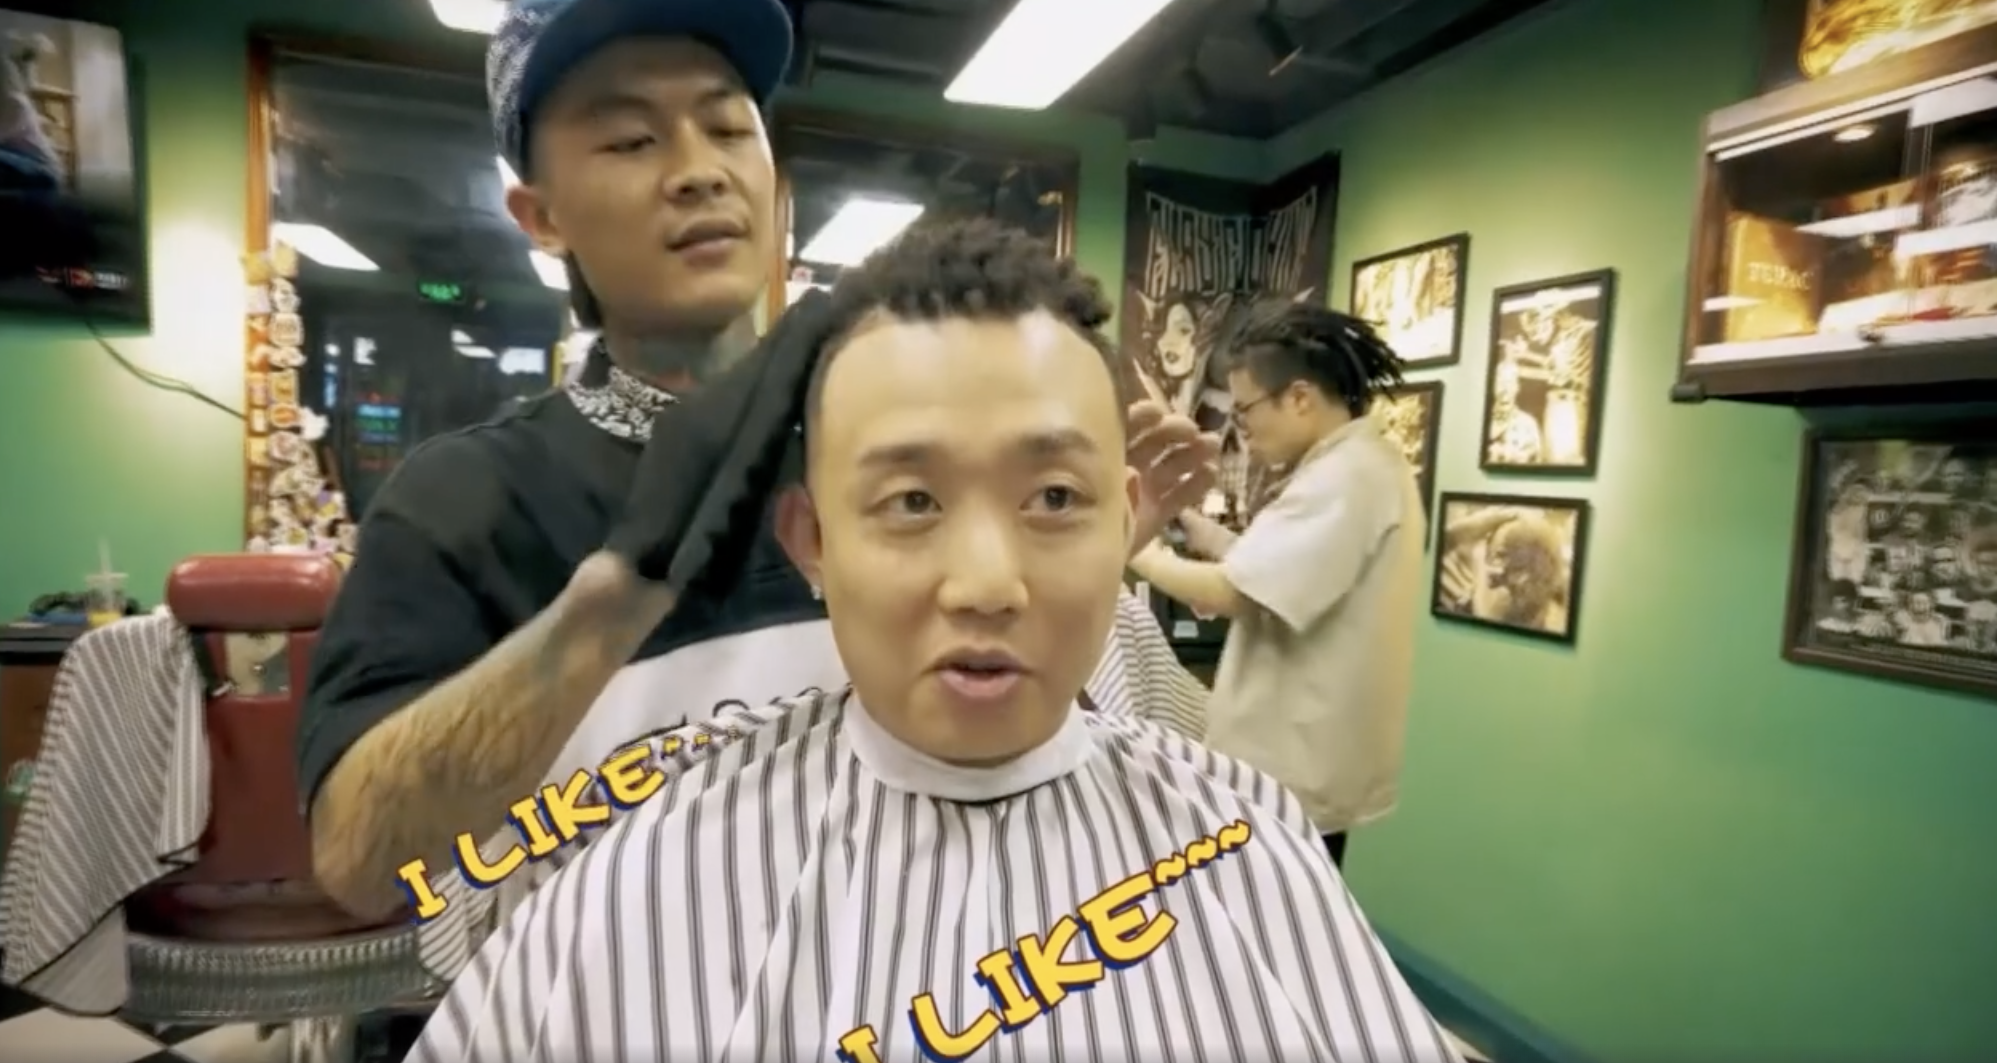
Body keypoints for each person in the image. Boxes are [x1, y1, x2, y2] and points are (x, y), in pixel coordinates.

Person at [409, 218, 1460, 1063]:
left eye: (1055, 498)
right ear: (813, 542)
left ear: (1123, 526)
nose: (988, 585)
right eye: (911, 501)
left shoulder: (1244, 835)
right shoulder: (642, 859)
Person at [297, 0, 1215, 933]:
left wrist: (1071, 556)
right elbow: (362, 864)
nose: (699, 170)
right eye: (630, 140)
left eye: (730, 127)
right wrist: (606, 608)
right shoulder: (464, 501)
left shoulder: (884, 444)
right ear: (541, 215)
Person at [1131, 299, 1423, 868]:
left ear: (1299, 398)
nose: (1242, 430)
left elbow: (1234, 592)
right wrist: (1195, 526)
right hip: (1299, 773)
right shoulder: (1360, 467)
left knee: (1267, 916)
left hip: (1291, 781)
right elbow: (1280, 567)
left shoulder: (1348, 477)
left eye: (1245, 411)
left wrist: (1134, 546)